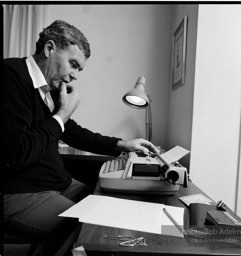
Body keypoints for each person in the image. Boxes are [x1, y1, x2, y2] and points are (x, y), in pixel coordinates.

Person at [2, 20, 159, 255]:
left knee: (108, 203)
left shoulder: (50, 90)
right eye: (73, 64)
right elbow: (18, 154)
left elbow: (72, 131)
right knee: (91, 226)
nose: (74, 76)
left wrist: (122, 145)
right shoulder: (10, 76)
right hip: (19, 193)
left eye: (79, 69)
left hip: (58, 185)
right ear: (49, 49)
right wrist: (63, 113)